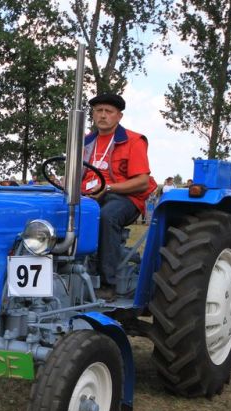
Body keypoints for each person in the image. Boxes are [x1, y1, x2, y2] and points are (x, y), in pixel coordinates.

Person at [82, 92, 156, 299]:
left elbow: (142, 181)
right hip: (89, 196)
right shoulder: (86, 142)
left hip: (124, 197)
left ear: (119, 116)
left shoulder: (133, 140)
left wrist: (108, 189)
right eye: (98, 111)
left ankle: (108, 283)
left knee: (107, 216)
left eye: (109, 111)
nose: (103, 115)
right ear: (93, 114)